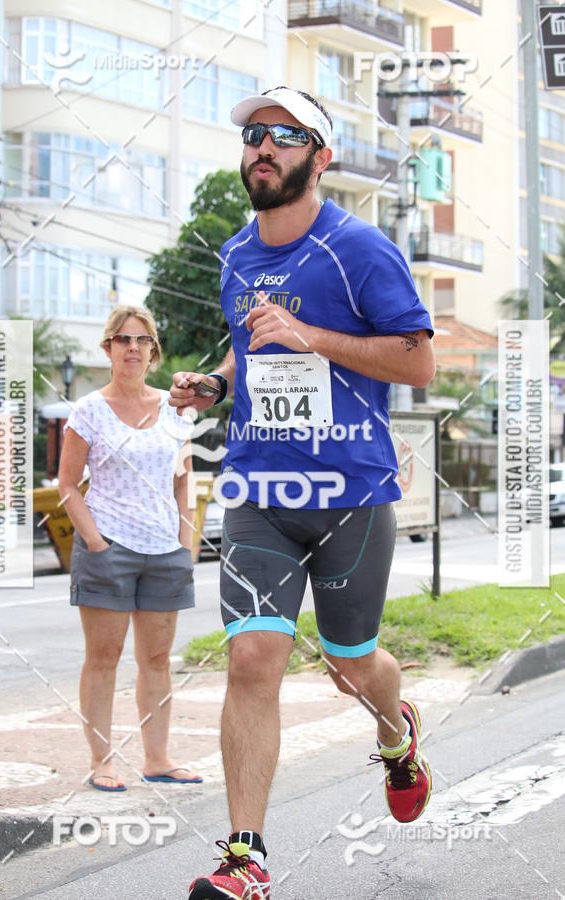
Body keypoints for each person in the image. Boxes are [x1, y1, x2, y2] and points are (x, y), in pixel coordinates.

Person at [171, 86, 436, 898]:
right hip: (259, 487)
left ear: (320, 158)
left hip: (350, 491)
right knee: (254, 657)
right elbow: (245, 351)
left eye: (285, 135)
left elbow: (417, 361)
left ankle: (397, 732)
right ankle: (245, 859)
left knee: (353, 669)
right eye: (253, 133)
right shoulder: (234, 256)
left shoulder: (359, 249)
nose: (263, 146)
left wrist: (311, 336)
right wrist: (214, 385)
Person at [59, 305, 202, 791]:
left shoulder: (174, 409)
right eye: (123, 339)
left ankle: (158, 758)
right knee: (104, 656)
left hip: (164, 551)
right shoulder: (88, 410)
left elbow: (184, 481)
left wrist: (185, 542)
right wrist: (95, 542)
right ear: (108, 348)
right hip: (109, 548)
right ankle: (102, 760)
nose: (133, 348)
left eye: (142, 341)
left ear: (153, 351)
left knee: (157, 661)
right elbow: (67, 485)